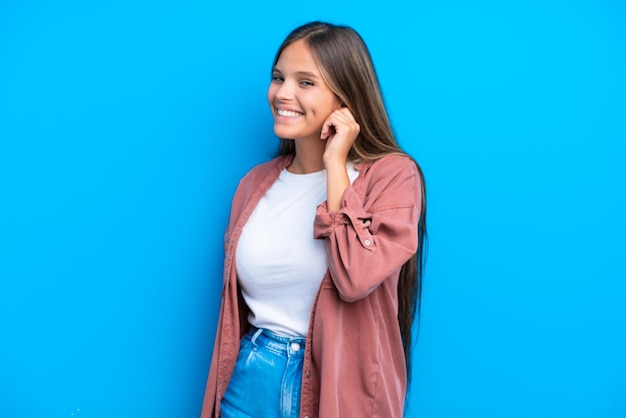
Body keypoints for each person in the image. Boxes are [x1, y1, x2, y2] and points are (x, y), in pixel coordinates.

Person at [200, 21, 427, 418]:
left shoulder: (393, 177)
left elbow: (355, 276)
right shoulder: (253, 185)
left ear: (346, 96)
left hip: (341, 390)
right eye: (278, 77)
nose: (282, 93)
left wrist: (335, 164)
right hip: (253, 381)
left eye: (305, 82)